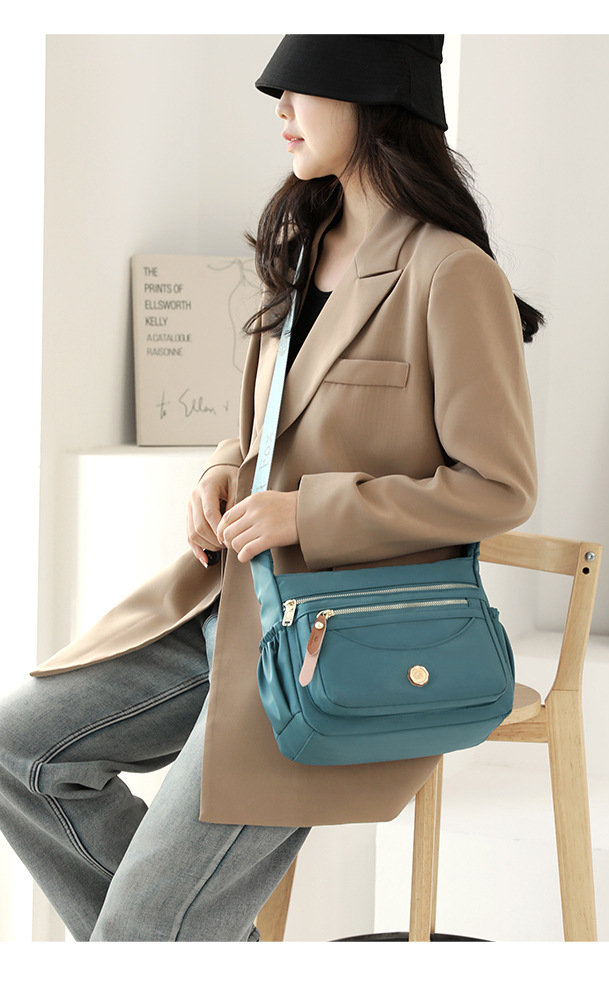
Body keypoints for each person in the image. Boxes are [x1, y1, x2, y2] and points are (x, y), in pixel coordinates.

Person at [0, 35, 541, 941]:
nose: (281, 107)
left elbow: (499, 487)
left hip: (333, 644)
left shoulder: (452, 274)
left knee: (143, 933)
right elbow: (267, 425)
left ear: (373, 100)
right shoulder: (302, 248)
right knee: (21, 752)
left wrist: (307, 513)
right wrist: (222, 471)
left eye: (303, 87)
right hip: (225, 607)